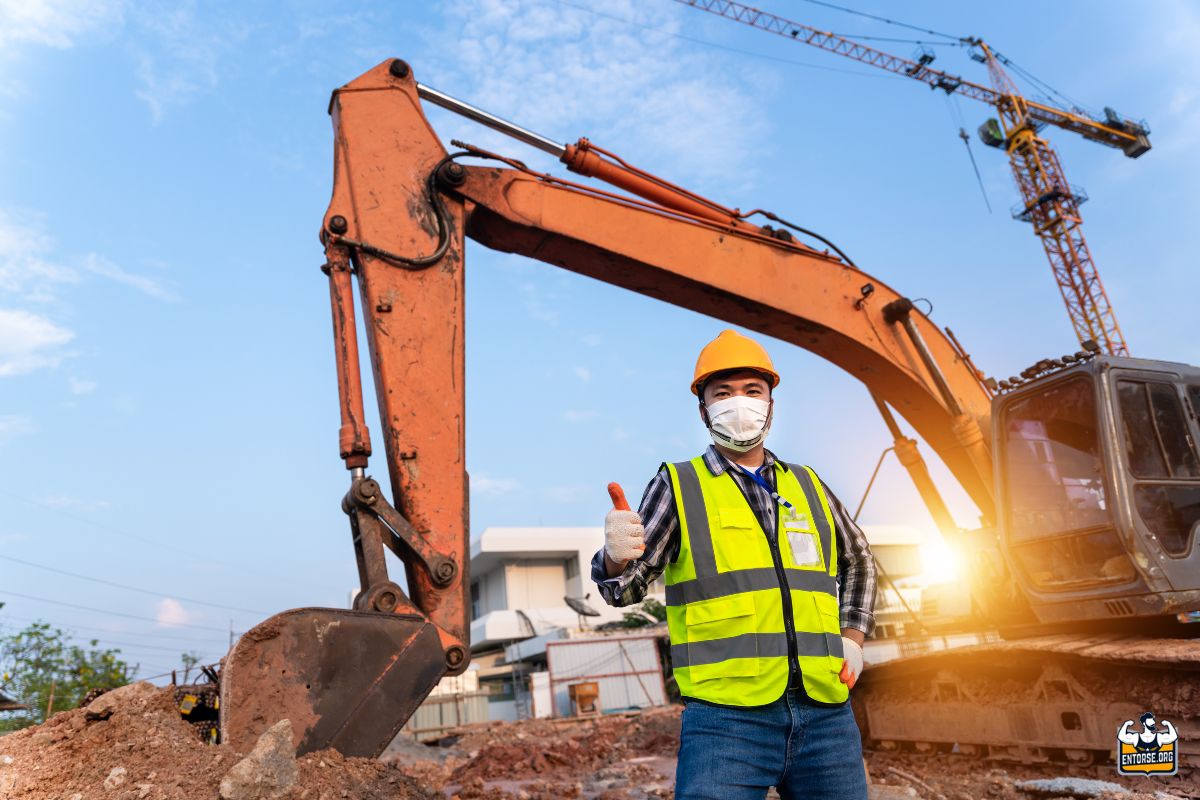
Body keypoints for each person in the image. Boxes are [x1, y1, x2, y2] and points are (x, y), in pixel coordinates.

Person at [591, 329, 876, 800]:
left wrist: (853, 637)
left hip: (826, 712)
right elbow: (624, 590)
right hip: (726, 720)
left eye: (752, 391)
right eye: (722, 394)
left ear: (771, 404)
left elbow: (859, 559)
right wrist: (615, 557)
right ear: (703, 410)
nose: (738, 403)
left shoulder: (807, 484)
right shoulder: (679, 484)